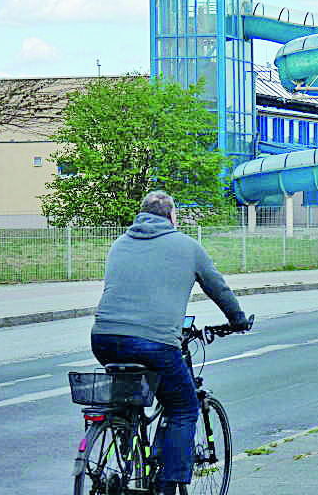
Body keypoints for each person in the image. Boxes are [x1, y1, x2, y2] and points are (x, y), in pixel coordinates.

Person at [91, 190, 250, 495]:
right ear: (172, 216)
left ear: (141, 215)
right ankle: (166, 487)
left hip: (104, 338)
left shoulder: (119, 244)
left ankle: (125, 443)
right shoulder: (188, 247)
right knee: (184, 407)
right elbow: (219, 288)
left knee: (131, 399)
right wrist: (238, 320)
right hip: (155, 343)